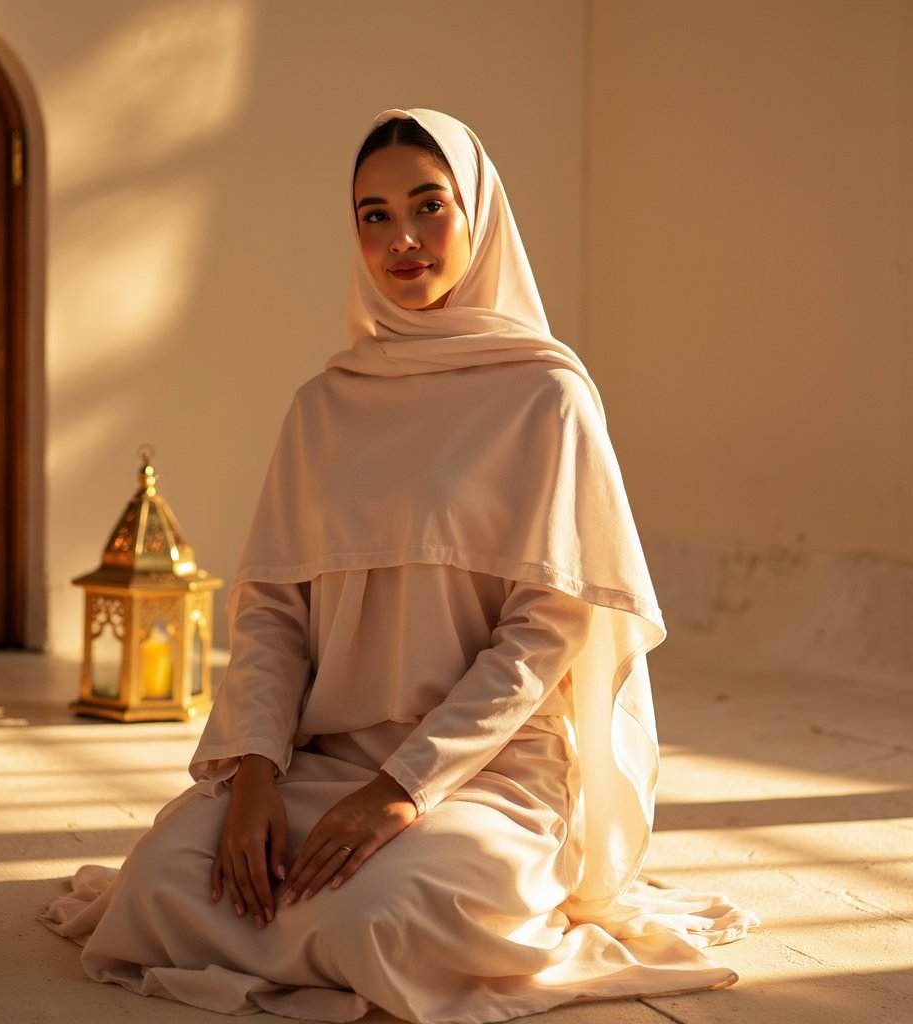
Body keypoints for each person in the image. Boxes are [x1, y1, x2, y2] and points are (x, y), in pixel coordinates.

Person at [42, 108, 755, 1023]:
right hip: (323, 758)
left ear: (479, 216)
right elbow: (272, 611)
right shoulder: (325, 406)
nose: (402, 238)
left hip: (484, 774)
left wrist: (403, 790)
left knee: (382, 921)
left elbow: (546, 633)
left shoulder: (548, 399)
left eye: (429, 206)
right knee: (161, 887)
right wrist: (256, 776)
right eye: (373, 215)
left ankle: (432, 872)